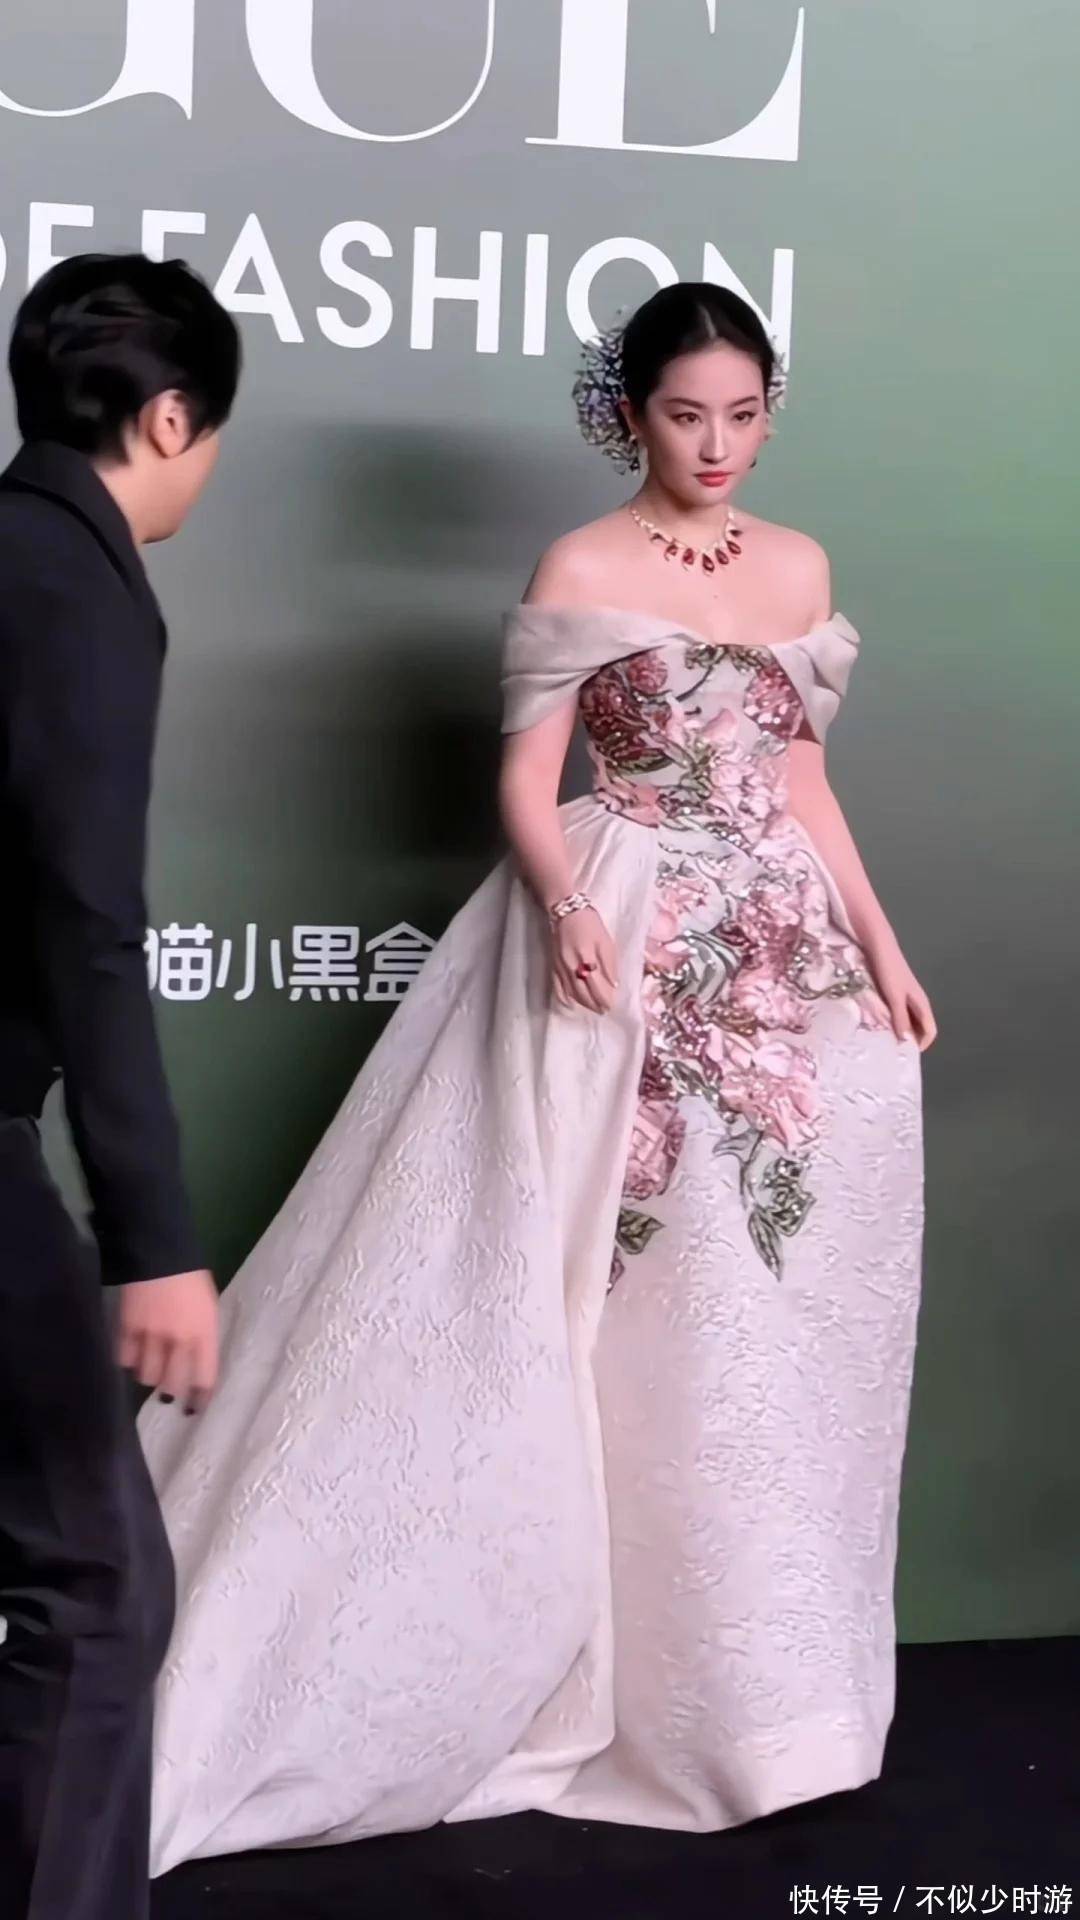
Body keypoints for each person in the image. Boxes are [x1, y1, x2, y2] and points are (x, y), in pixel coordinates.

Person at [140, 282, 933, 1873]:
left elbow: (802, 781)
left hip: (784, 964)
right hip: (624, 931)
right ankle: (589, 1676)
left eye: (743, 414)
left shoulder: (800, 568)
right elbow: (527, 778)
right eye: (685, 415)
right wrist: (570, 903)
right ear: (627, 415)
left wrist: (883, 941)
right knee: (608, 1294)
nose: (717, 444)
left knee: (766, 1316)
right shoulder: (580, 567)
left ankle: (768, 1704)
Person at [0, 253, 240, 1920]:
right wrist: (152, 1241)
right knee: (96, 1587)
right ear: (167, 420)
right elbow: (85, 917)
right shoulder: (75, 576)